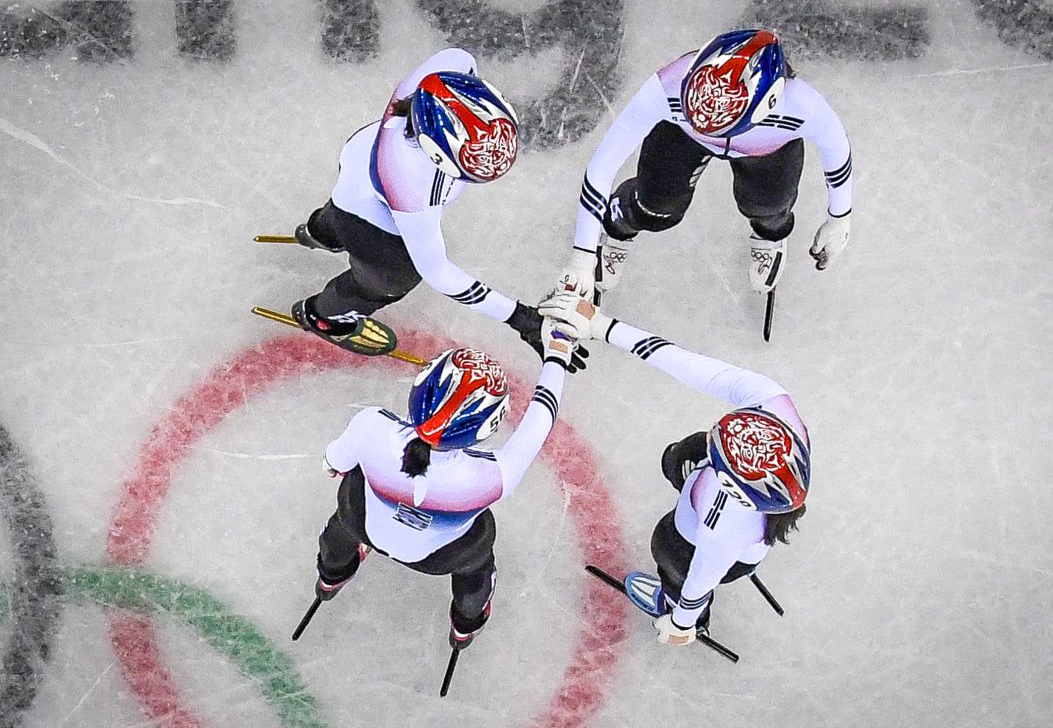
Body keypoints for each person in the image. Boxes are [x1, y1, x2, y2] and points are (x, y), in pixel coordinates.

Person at [539, 287, 810, 646]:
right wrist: (604, 326)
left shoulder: (723, 523)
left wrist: (682, 621)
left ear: (729, 487)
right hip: (716, 510)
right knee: (678, 457)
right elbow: (688, 365)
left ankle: (670, 600)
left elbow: (700, 579)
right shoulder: (771, 403)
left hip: (697, 543)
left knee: (668, 552)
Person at [291, 47, 583, 370]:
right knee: (392, 278)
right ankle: (326, 315)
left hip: (357, 163)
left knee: (344, 208)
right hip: (370, 217)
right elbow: (437, 272)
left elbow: (464, 63)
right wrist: (521, 318)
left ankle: (321, 230)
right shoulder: (412, 184)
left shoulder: (446, 71)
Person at [311, 318, 576, 650]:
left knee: (347, 510)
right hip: (440, 558)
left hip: (364, 525)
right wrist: (558, 353)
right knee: (476, 561)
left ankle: (331, 574)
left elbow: (333, 463)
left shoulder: (371, 426)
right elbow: (542, 417)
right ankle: (466, 622)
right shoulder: (492, 478)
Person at [557, 28, 853, 300]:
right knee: (656, 208)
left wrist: (840, 218)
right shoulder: (668, 86)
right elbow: (603, 165)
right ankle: (621, 221)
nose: (705, 125)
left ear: (769, 104)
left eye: (720, 123)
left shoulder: (805, 107)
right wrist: (582, 256)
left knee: (768, 207)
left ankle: (769, 234)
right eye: (692, 109)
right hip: (683, 138)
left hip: (766, 150)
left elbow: (837, 152)